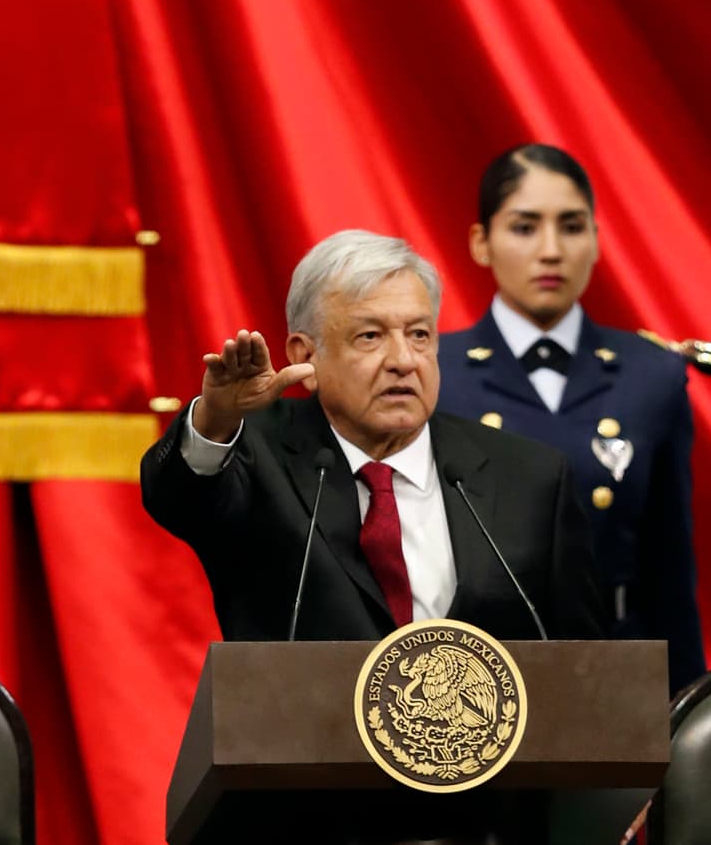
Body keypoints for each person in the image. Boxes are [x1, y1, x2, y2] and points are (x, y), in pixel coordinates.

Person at [141, 228, 605, 644]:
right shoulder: (255, 458)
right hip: (302, 736)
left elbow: (584, 662)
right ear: (307, 355)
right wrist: (216, 420)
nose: (404, 359)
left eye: (419, 334)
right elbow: (178, 498)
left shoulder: (531, 476)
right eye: (370, 336)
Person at [437, 143, 705, 692]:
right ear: (480, 243)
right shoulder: (432, 372)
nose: (551, 250)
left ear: (598, 240)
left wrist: (686, 713)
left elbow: (669, 570)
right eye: (525, 227)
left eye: (572, 226)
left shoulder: (651, 376)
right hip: (472, 675)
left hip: (618, 672)